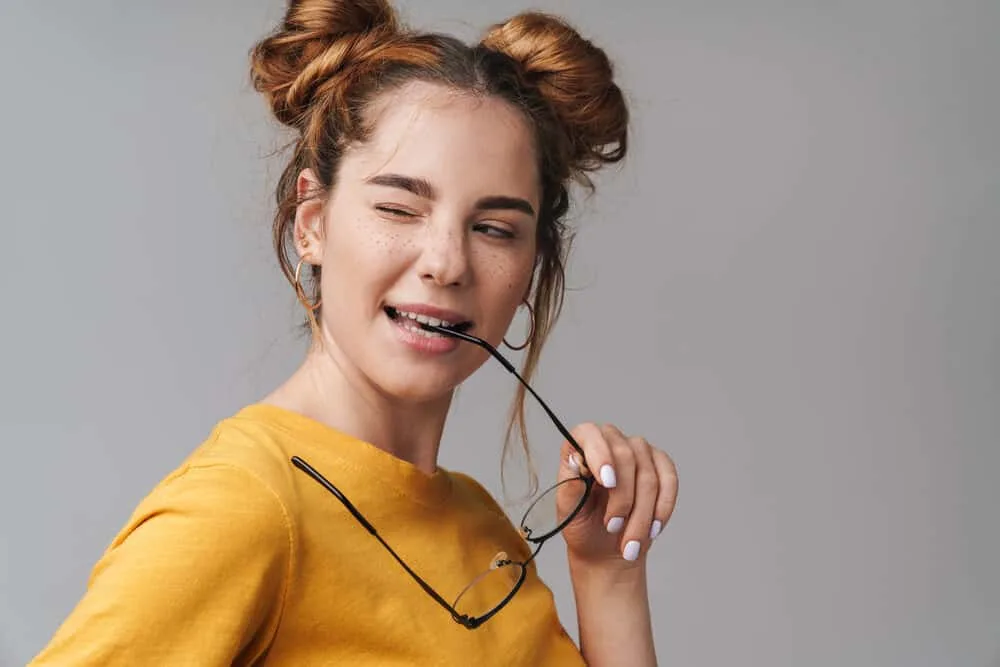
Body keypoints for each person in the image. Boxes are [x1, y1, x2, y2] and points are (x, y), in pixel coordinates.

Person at [30, 1, 678, 664]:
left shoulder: (482, 529)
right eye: (399, 208)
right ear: (312, 221)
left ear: (531, 268)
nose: (446, 262)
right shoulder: (246, 504)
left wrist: (608, 572)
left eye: (494, 228)